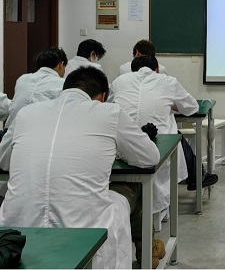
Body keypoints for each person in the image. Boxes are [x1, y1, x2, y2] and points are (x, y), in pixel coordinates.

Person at [0, 66, 162, 268]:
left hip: (18, 232)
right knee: (138, 189)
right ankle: (147, 252)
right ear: (102, 97)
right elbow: (149, 156)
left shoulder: (26, 114)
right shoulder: (109, 112)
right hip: (84, 231)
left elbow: (4, 161)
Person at [108, 55, 204, 220]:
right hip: (159, 147)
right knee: (171, 136)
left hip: (120, 149)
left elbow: (109, 106)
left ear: (132, 70)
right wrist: (172, 105)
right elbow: (192, 108)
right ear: (157, 69)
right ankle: (161, 210)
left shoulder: (119, 82)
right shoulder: (168, 82)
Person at [3, 47, 67, 130]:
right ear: (61, 65)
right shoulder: (63, 84)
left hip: (9, 131)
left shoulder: (23, 79)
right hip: (36, 133)